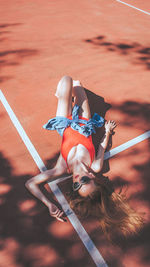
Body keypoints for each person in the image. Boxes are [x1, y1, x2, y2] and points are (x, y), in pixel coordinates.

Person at [25, 76, 143, 239]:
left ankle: (62, 96)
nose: (78, 179)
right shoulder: (95, 167)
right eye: (85, 181)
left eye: (76, 186)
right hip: (84, 122)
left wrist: (49, 204)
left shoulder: (62, 168)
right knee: (76, 84)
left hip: (64, 123)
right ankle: (64, 95)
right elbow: (101, 146)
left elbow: (30, 183)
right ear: (93, 177)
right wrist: (107, 132)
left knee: (66, 80)